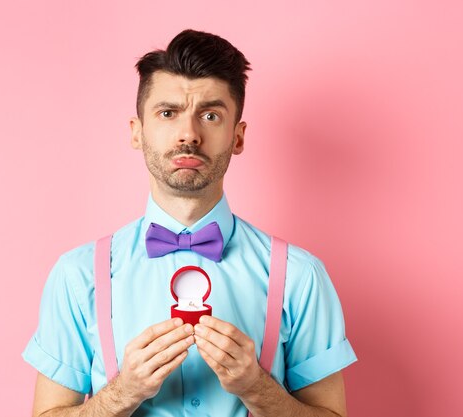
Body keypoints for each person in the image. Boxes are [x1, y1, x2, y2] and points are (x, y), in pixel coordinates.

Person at [23, 29, 357, 417]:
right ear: (137, 131)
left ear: (237, 137)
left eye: (210, 115)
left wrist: (256, 388)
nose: (189, 135)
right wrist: (124, 393)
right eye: (168, 113)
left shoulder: (301, 275)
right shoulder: (78, 275)